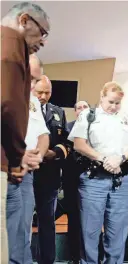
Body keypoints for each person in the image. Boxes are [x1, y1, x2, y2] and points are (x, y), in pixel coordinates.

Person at [68, 82, 128, 263]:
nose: (114, 106)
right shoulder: (87, 115)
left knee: (117, 232)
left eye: (118, 103)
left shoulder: (126, 118)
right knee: (90, 233)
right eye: (110, 102)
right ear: (101, 97)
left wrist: (120, 158)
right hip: (94, 181)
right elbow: (79, 144)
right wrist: (104, 159)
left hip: (120, 181)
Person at [1, 3, 50, 260]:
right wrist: (19, 153)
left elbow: (43, 135)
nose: (42, 41)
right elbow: (6, 107)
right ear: (24, 20)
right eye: (42, 33)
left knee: (18, 237)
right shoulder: (9, 51)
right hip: (8, 163)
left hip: (18, 167)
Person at [6, 54, 49, 264]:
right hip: (5, 172)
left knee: (23, 230)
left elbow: (43, 135)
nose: (31, 85)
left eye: (35, 80)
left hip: (27, 174)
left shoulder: (32, 101)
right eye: (29, 78)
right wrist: (18, 154)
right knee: (7, 232)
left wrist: (38, 155)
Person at [31, 75, 69, 264]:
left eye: (47, 92)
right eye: (40, 92)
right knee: (22, 223)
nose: (43, 96)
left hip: (50, 175)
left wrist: (54, 153)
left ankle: (47, 261)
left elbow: (66, 143)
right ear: (32, 90)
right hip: (27, 173)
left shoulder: (58, 112)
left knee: (47, 223)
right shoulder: (24, 109)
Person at [63, 100, 90, 264]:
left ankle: (89, 255)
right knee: (73, 218)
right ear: (75, 112)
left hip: (91, 178)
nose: (82, 110)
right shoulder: (68, 127)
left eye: (85, 107)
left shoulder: (95, 126)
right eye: (78, 108)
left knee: (90, 219)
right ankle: (74, 257)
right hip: (71, 178)